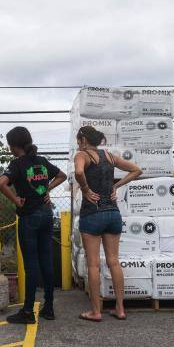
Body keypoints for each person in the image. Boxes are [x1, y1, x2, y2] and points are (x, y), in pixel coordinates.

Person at [0, 127, 67, 324]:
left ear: (13, 145)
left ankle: (28, 311)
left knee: (31, 265)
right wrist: (46, 190)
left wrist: (16, 200)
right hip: (46, 215)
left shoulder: (17, 164)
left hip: (29, 218)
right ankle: (49, 307)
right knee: (46, 261)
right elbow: (62, 175)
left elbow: (1, 183)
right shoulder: (42, 161)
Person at [74, 125, 142, 322]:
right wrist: (116, 185)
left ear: (84, 140)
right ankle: (120, 309)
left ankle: (96, 312)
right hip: (113, 212)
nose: (79, 144)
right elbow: (136, 170)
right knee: (114, 261)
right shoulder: (110, 156)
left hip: (92, 214)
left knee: (93, 264)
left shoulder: (82, 155)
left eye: (79, 140)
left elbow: (79, 172)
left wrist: (85, 189)